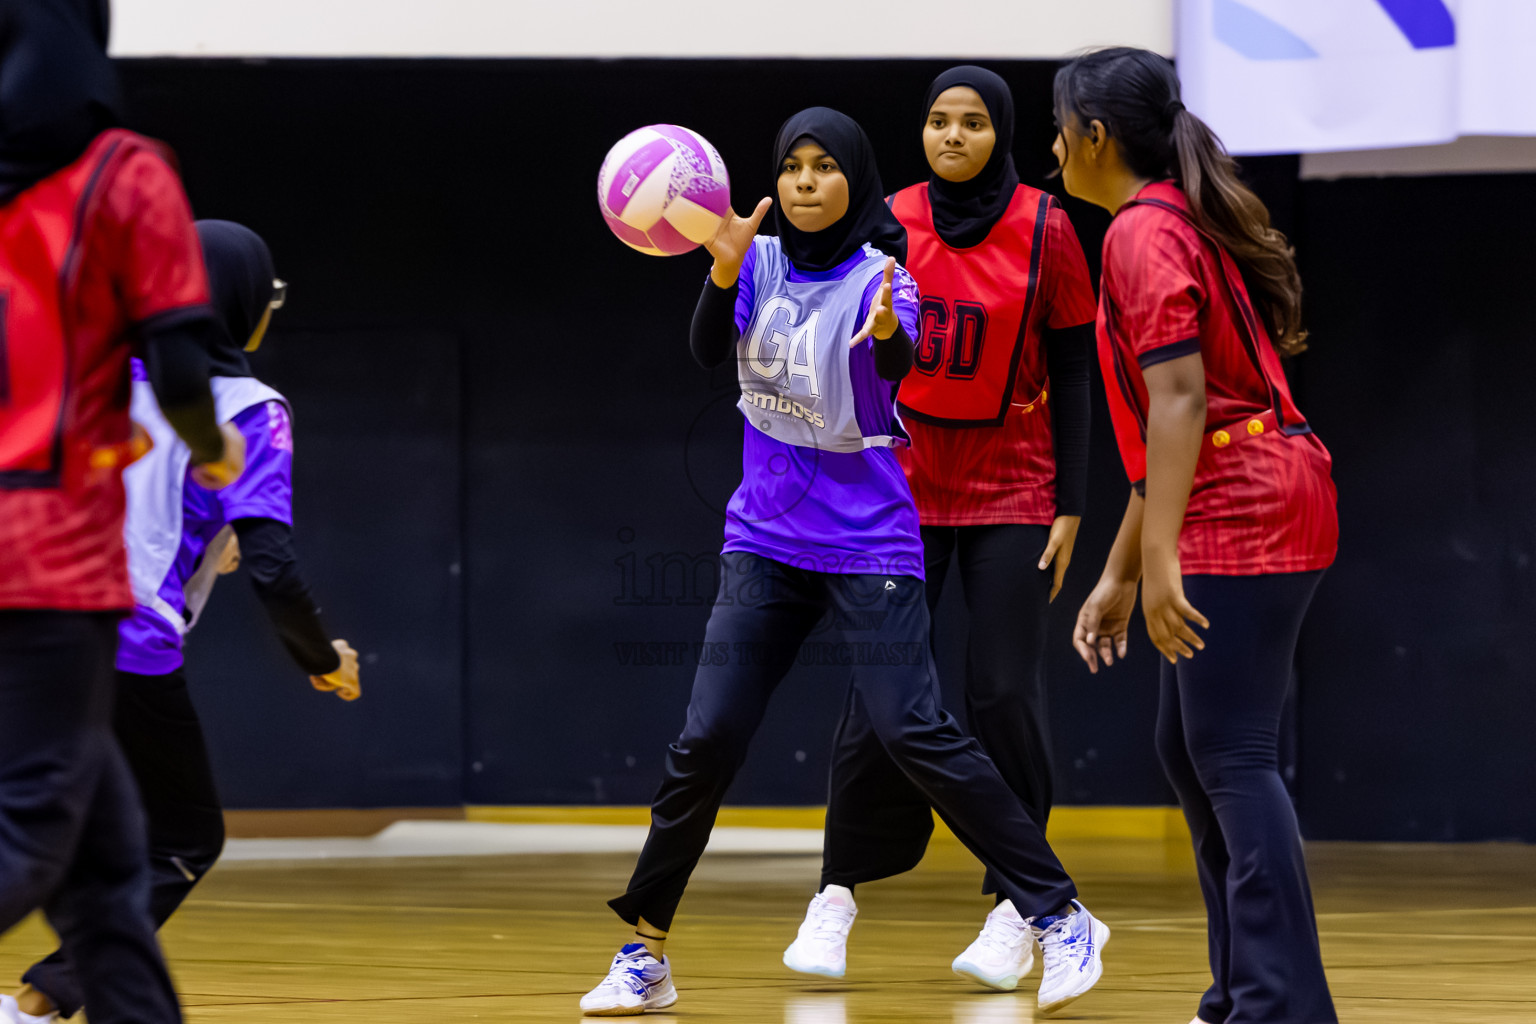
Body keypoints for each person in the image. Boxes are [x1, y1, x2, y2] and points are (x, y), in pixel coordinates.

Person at [578, 107, 1106, 1018]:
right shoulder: (760, 265)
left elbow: (897, 364)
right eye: (792, 168)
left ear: (855, 182)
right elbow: (709, 351)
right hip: (766, 543)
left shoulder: (886, 278)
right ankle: (646, 954)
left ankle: (1060, 914)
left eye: (826, 168)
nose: (806, 182)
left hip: (870, 547)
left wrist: (887, 335)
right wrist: (722, 269)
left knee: (914, 730)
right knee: (706, 738)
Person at [5, 221, 361, 1024]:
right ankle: (38, 1002)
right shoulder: (247, 407)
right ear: (244, 308)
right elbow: (275, 565)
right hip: (121, 649)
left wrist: (206, 541)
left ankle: (38, 1001)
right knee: (179, 843)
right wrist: (322, 657)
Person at [1057, 47, 1339, 1024]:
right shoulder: (1167, 221)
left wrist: (1165, 556)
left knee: (1233, 754)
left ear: (1094, 137)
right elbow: (1165, 430)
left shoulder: (1142, 232)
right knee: (1193, 747)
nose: (1054, 151)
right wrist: (1122, 568)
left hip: (1245, 496)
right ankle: (1246, 993)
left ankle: (1276, 1003)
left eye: (1060, 130)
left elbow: (1182, 403)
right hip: (1247, 482)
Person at [805, 65, 1097, 994]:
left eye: (972, 122)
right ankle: (837, 891)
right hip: (900, 485)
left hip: (1013, 484)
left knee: (1003, 693)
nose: (953, 136)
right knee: (876, 697)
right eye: (938, 121)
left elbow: (1077, 367)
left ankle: (1020, 908)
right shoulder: (888, 216)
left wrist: (1074, 499)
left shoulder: (1049, 227)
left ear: (1000, 132)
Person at [0, 4, 245, 1024]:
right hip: (52, 555)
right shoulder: (124, 171)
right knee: (30, 834)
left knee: (106, 874)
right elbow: (184, 363)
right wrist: (213, 445)